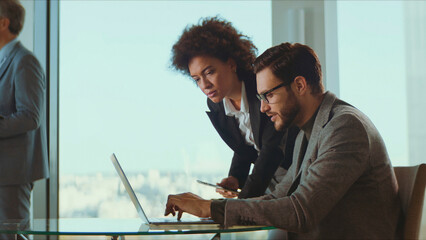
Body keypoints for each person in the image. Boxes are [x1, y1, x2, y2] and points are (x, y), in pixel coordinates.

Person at [165, 42, 401, 239]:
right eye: (260, 97)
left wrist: (210, 208)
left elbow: (301, 211)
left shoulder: (345, 126)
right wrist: (212, 207)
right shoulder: (306, 133)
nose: (264, 107)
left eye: (269, 95)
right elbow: (278, 198)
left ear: (299, 85)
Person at [171, 17, 298, 199]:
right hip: (270, 185)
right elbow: (244, 145)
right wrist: (236, 178)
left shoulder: (262, 91)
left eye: (209, 72)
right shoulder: (217, 105)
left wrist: (236, 207)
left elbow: (271, 150)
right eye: (197, 79)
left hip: (298, 177)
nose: (204, 85)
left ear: (231, 64)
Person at [0, 0, 49, 236]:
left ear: (3, 23)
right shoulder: (6, 59)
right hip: (5, 172)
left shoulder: (24, 61)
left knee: (12, 236)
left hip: (12, 173)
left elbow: (30, 117)